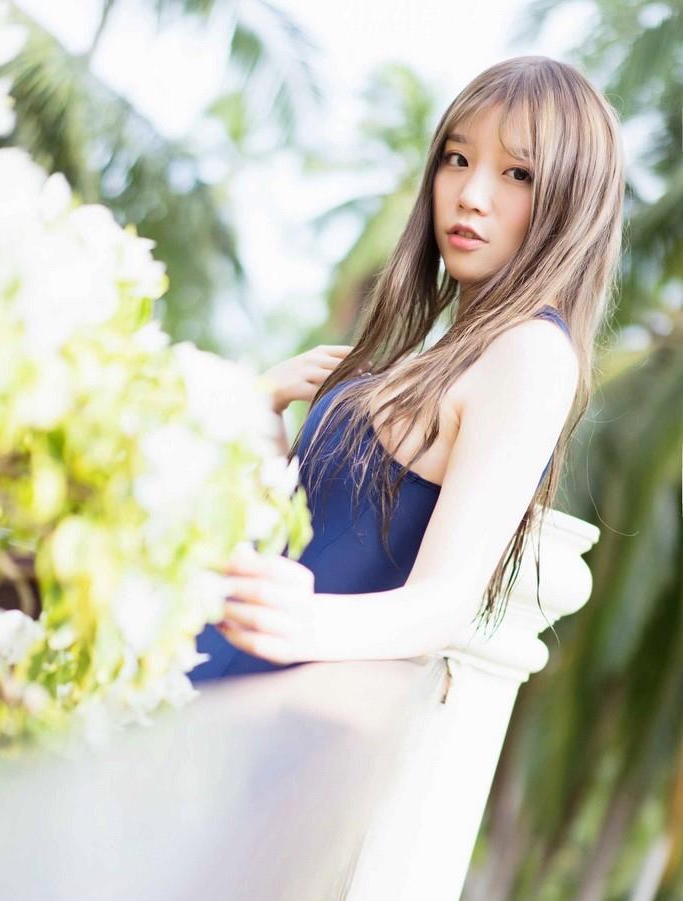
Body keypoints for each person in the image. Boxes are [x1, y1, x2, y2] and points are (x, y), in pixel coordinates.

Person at [187, 55, 625, 684]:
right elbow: (305, 534)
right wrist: (264, 408)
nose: (470, 196)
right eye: (457, 159)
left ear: (574, 200)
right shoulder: (453, 355)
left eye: (518, 173)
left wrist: (309, 622)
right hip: (221, 665)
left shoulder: (532, 353)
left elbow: (443, 602)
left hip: (270, 695)